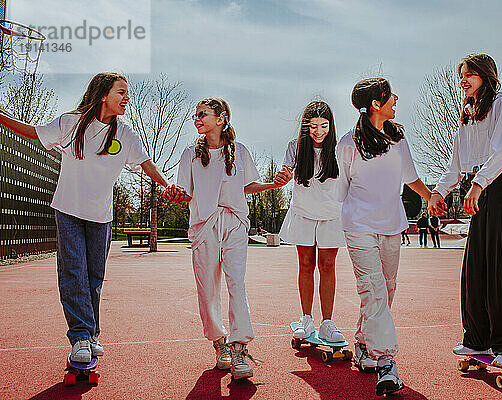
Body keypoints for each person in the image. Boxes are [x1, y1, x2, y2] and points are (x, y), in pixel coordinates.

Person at [0, 73, 176, 363]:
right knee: (73, 274)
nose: (126, 98)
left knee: (94, 278)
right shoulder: (71, 123)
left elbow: (146, 163)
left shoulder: (125, 133)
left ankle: (91, 334)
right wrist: (3, 117)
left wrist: (168, 186)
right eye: (121, 92)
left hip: (101, 216)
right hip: (68, 210)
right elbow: (34, 132)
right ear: (104, 94)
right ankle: (80, 337)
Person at [167, 98, 288, 380]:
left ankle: (239, 348)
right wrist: (174, 195)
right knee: (207, 290)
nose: (197, 119)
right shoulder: (190, 154)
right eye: (195, 115)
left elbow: (248, 186)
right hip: (204, 226)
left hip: (234, 224)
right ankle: (219, 343)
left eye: (203, 114)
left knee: (237, 284)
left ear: (222, 118)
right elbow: (186, 192)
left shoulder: (241, 151)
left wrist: (274, 184)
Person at [428, 54, 502, 368]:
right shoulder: (468, 115)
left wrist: (478, 184)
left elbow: (501, 153)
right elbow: (456, 165)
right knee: (476, 267)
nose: (464, 81)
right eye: (462, 76)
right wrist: (437, 192)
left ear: (486, 76)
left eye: (470, 74)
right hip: (483, 185)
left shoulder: (501, 105)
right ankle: (478, 339)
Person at [337, 78, 432, 396]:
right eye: (390, 96)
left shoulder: (397, 137)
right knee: (374, 289)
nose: (396, 99)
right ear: (376, 104)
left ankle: (363, 343)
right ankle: (386, 362)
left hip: (392, 225)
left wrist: (431, 196)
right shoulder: (348, 144)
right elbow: (341, 189)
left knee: (386, 289)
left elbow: (411, 177)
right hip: (359, 227)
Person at [277, 101, 346, 343]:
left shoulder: (340, 149)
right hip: (303, 213)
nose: (318, 131)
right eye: (313, 126)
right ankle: (306, 318)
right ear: (305, 126)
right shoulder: (294, 147)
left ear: (331, 126)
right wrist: (283, 176)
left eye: (323, 126)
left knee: (327, 266)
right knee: (306, 265)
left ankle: (327, 322)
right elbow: (286, 172)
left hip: (332, 216)